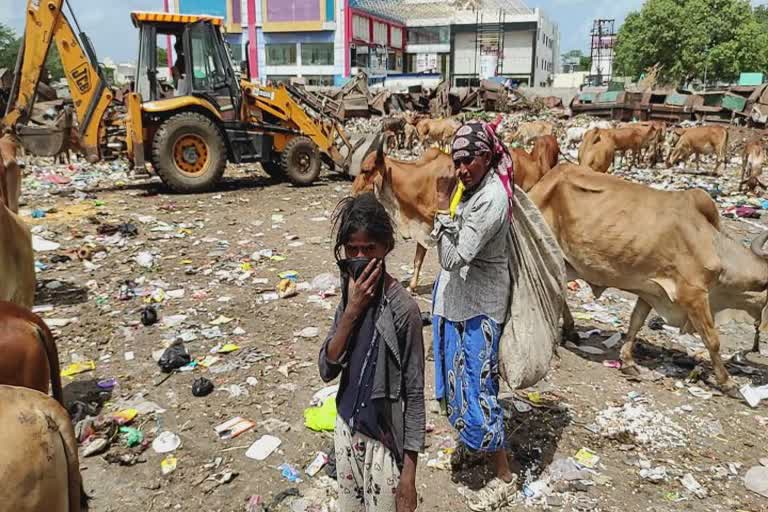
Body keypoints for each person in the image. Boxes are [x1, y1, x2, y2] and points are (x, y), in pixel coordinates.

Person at [318, 193, 425, 512]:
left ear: (386, 248)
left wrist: (409, 477)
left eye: (369, 249)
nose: (361, 258)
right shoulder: (349, 293)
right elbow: (327, 369)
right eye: (353, 250)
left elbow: (415, 394)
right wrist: (352, 310)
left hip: (382, 444)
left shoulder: (404, 310)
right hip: (346, 428)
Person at [431, 120, 516, 511]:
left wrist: (440, 208)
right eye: (457, 161)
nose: (462, 169)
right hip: (460, 301)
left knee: (480, 386)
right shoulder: (472, 190)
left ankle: (504, 476)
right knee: (457, 378)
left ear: (487, 156)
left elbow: (452, 257)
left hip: (480, 306)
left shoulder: (491, 199)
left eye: (469, 160)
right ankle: (472, 445)